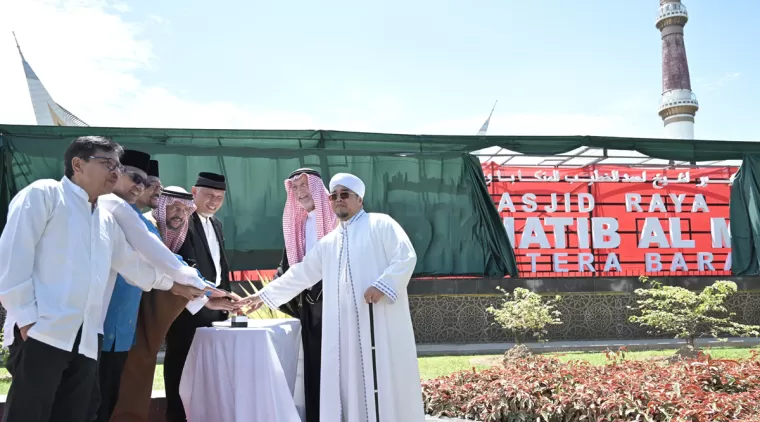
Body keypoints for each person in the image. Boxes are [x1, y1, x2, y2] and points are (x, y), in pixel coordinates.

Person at [0, 136, 183, 422]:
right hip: (42, 332)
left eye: (118, 166)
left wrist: (179, 286)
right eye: (107, 163)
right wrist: (27, 321)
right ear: (77, 164)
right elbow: (12, 259)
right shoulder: (45, 194)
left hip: (86, 339)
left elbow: (132, 265)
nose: (115, 172)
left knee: (76, 414)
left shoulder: (105, 218)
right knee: (29, 414)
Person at [243, 173, 425, 422]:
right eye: (334, 196)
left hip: (378, 323)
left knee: (382, 378)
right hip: (344, 334)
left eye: (345, 194)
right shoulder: (329, 242)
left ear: (359, 200)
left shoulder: (380, 224)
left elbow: (405, 256)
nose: (338, 199)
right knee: (347, 383)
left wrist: (383, 285)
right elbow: (301, 274)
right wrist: (263, 296)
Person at [92, 152, 206, 422]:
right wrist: (205, 290)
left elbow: (151, 266)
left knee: (109, 397)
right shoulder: (114, 208)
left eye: (148, 182)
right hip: (101, 320)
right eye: (137, 179)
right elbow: (159, 259)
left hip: (124, 325)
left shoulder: (130, 214)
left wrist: (203, 291)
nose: (143, 187)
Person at [110, 186, 239, 422]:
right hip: (126, 313)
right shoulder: (147, 225)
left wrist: (206, 298)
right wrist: (207, 293)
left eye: (183, 208)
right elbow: (168, 267)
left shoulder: (173, 230)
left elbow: (173, 271)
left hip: (152, 315)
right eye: (173, 206)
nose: (179, 213)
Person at [164, 172, 234, 422]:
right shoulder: (182, 220)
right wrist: (205, 298)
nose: (214, 201)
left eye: (220, 197)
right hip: (186, 311)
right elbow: (184, 268)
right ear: (194, 193)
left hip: (215, 312)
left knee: (209, 377)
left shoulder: (216, 224)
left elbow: (219, 266)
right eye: (209, 195)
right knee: (182, 374)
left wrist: (227, 295)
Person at [275, 167, 337, 422]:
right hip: (309, 311)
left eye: (305, 186)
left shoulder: (337, 221)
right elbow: (287, 268)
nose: (301, 193)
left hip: (335, 309)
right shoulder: (299, 225)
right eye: (296, 188)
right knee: (313, 369)